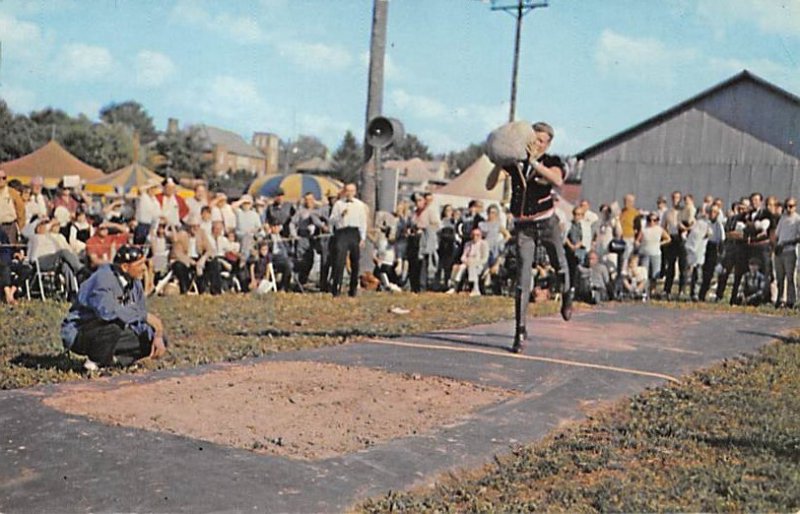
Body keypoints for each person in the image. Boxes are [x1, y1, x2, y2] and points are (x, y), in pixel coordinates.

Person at [486, 121, 572, 353]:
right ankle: (519, 330)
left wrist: (534, 162)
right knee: (523, 279)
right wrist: (499, 163)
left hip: (547, 223)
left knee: (560, 265)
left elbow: (557, 180)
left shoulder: (552, 161)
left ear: (548, 144)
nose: (537, 144)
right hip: (524, 227)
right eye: (534, 140)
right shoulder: (516, 163)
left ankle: (566, 295)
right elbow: (489, 184)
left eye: (542, 141)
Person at [61, 245, 167, 370]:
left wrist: (157, 335)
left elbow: (137, 318)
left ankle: (114, 360)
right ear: (125, 267)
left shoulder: (134, 281)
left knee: (149, 336)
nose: (144, 269)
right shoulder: (103, 279)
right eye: (140, 264)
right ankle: (95, 362)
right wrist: (144, 316)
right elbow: (107, 313)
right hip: (82, 332)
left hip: (110, 331)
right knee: (114, 325)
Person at [329, 183, 368, 297]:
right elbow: (331, 221)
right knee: (339, 261)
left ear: (355, 192)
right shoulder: (338, 204)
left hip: (354, 232)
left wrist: (363, 237)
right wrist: (340, 215)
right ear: (344, 192)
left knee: (355, 262)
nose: (350, 193)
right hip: (342, 232)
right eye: (348, 191)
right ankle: (336, 288)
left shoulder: (360, 205)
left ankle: (353, 289)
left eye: (352, 191)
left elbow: (363, 222)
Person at [773, 197, 800, 308]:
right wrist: (777, 245)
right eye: (787, 206)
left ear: (795, 207)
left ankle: (791, 300)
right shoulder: (782, 219)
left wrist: (787, 243)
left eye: (791, 206)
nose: (788, 208)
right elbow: (777, 234)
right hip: (780, 251)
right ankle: (780, 299)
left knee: (790, 277)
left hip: (790, 250)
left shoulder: (797, 220)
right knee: (780, 277)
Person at [0, 167, 25, 246]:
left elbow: (21, 211)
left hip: (9, 227)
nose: (1, 180)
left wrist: (20, 228)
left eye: (4, 178)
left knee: (9, 249)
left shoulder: (12, 193)